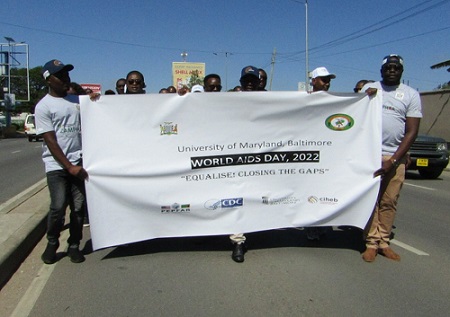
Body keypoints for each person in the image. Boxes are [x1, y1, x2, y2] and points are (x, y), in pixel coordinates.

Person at [362, 54, 422, 262]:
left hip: (395, 157)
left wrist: (394, 160)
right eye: (388, 67)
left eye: (396, 67)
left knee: (389, 201)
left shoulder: (411, 95)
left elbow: (411, 132)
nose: (392, 70)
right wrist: (364, 97)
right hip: (368, 155)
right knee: (370, 201)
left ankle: (383, 242)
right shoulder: (370, 88)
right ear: (381, 70)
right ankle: (370, 242)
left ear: (402, 71)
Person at [35, 59, 88, 264]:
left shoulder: (77, 100)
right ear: (49, 80)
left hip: (79, 161)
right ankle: (52, 242)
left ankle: (74, 245)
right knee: (58, 207)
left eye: (67, 74)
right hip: (57, 167)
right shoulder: (43, 107)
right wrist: (69, 167)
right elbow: (50, 140)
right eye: (60, 75)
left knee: (78, 208)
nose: (66, 78)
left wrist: (95, 99)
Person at [228, 65, 261, 263]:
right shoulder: (227, 101)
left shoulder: (272, 101)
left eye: (253, 80)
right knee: (236, 197)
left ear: (259, 83)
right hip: (234, 159)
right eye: (246, 80)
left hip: (261, 161)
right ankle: (238, 241)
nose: (249, 83)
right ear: (240, 83)